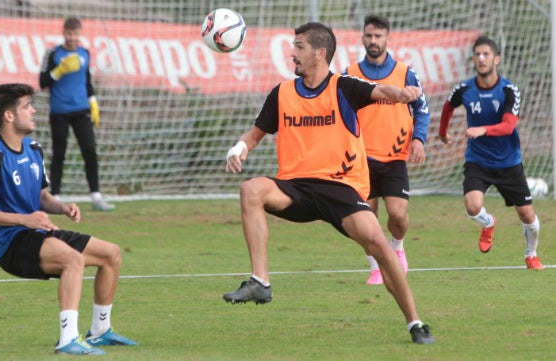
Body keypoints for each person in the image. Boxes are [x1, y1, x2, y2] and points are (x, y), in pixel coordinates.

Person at [222, 22, 435, 344]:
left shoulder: (344, 86)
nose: (292, 53)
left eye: (299, 47)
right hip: (294, 187)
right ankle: (260, 282)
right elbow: (253, 135)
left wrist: (401, 94)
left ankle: (415, 322)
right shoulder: (282, 92)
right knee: (251, 188)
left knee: (379, 244)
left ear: (320, 53)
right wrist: (238, 150)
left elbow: (382, 92)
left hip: (340, 187)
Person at [0, 83, 137, 355]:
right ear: (8, 116)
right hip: (11, 244)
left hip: (37, 232)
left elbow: (42, 197)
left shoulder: (34, 148)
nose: (33, 111)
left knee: (111, 254)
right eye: (26, 106)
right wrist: (25, 220)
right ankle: (67, 339)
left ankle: (99, 331)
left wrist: (62, 207)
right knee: (73, 259)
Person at [438, 35, 544, 270]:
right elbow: (448, 107)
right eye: (477, 54)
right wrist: (443, 133)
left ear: (496, 59)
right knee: (472, 206)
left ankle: (531, 254)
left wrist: (482, 129)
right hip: (478, 161)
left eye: (486, 54)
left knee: (528, 216)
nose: (481, 58)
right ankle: (489, 222)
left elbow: (508, 126)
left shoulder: (509, 91)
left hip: (508, 163)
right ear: (473, 59)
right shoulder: (464, 89)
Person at [344, 14, 430, 285]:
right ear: (362, 37)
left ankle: (398, 247)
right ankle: (376, 266)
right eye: (369, 36)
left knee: (398, 214)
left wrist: (419, 139)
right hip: (360, 159)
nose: (373, 41)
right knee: (364, 219)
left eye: (378, 36)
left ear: (388, 39)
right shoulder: (350, 74)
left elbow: (422, 110)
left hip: (394, 157)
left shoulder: (406, 73)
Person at [39, 17, 114, 211]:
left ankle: (96, 196)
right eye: (69, 34)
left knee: (89, 151)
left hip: (81, 109)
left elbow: (87, 81)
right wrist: (60, 70)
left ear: (80, 34)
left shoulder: (85, 53)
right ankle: (54, 197)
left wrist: (93, 103)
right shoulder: (53, 54)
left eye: (76, 34)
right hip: (59, 111)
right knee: (59, 154)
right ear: (64, 33)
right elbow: (42, 82)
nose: (73, 38)